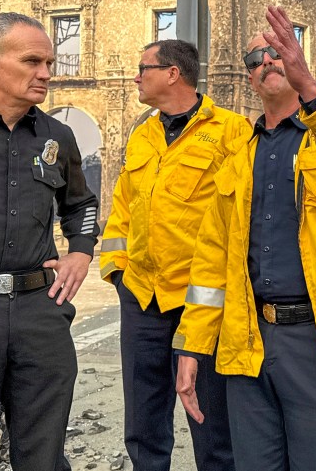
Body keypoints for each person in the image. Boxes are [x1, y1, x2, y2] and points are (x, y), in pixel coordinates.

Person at [173, 5, 316, 470]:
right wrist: (190, 347)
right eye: (254, 60)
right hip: (247, 345)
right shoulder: (236, 160)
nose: (265, 62)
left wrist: (308, 85)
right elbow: (210, 263)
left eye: (275, 52)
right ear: (248, 78)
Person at [0, 12, 100, 471]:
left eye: (50, 62)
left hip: (40, 312)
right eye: (33, 61)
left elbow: (81, 204)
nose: (46, 73)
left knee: (43, 453)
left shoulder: (57, 136)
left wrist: (80, 250)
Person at [99, 39, 248, 470]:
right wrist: (118, 273)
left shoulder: (230, 131)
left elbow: (239, 217)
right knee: (143, 426)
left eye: (143, 68)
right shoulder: (142, 132)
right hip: (142, 299)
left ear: (172, 73)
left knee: (212, 424)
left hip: (200, 304)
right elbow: (122, 207)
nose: (136, 77)